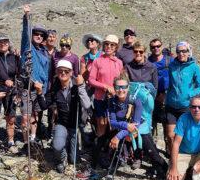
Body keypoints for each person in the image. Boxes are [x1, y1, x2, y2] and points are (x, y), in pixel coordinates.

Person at [43, 60, 91, 173]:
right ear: (57, 72)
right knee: (58, 147)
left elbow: (87, 104)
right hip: (62, 123)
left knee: (74, 160)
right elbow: (45, 104)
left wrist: (81, 86)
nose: (63, 73)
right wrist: (40, 93)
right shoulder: (55, 87)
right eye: (60, 71)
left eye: (66, 71)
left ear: (71, 73)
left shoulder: (77, 85)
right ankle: (61, 159)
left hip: (75, 124)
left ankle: (69, 145)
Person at [88, 34, 123, 168]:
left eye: (112, 45)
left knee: (113, 126)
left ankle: (109, 155)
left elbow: (121, 80)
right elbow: (91, 80)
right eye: (107, 44)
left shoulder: (119, 63)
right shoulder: (98, 61)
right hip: (100, 98)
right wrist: (105, 87)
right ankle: (97, 157)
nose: (109, 47)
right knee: (102, 126)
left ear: (116, 47)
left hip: (114, 99)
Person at [164, 41, 200, 155]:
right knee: (170, 136)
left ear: (188, 52)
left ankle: (182, 158)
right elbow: (170, 83)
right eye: (178, 51)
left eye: (184, 51)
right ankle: (173, 161)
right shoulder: (172, 66)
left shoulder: (194, 67)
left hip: (186, 106)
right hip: (171, 105)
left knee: (182, 136)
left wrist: (189, 94)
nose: (181, 54)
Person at [20, 4, 51, 143]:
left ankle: (33, 138)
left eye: (41, 35)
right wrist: (27, 17)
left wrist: (44, 88)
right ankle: (26, 141)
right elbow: (25, 34)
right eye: (36, 34)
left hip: (40, 89)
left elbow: (46, 71)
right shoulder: (28, 47)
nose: (38, 36)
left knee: (36, 114)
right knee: (26, 117)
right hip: (28, 87)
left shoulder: (44, 52)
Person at [0, 33, 21, 154]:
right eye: (0, 42)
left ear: (8, 43)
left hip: (12, 90)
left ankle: (11, 141)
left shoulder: (14, 56)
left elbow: (20, 71)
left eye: (5, 41)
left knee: (11, 118)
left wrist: (19, 56)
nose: (3, 44)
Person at [107, 74, 142, 169]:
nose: (121, 90)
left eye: (124, 87)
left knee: (143, 137)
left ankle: (138, 157)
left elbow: (136, 126)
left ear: (128, 87)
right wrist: (126, 125)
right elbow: (112, 122)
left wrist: (118, 136)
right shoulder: (112, 101)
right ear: (114, 88)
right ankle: (121, 156)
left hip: (136, 129)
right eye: (118, 87)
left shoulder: (136, 101)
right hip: (122, 127)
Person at [148, 38, 170, 137]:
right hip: (152, 96)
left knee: (168, 126)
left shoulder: (170, 61)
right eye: (153, 47)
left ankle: (169, 150)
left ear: (162, 46)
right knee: (151, 124)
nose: (156, 48)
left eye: (158, 46)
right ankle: (152, 148)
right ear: (150, 49)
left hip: (167, 97)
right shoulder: (148, 62)